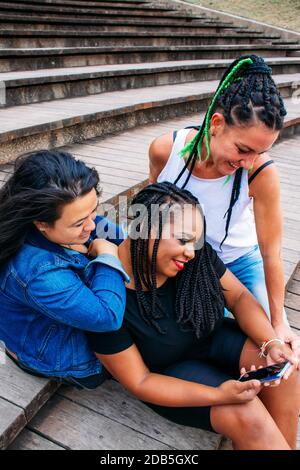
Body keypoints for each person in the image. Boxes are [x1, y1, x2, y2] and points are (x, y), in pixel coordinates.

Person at [87, 182, 300, 450]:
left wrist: (272, 343)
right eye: (183, 239)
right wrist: (218, 394)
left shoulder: (193, 256)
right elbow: (140, 381)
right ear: (144, 228)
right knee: (248, 414)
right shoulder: (105, 296)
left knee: (287, 371)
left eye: (195, 242)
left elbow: (238, 297)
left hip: (212, 338)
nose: (191, 251)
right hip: (169, 372)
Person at [148, 54, 300, 361]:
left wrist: (278, 320)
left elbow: (271, 253)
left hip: (239, 261)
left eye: (259, 152)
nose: (247, 162)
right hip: (186, 258)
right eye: (243, 149)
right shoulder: (165, 150)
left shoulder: (261, 172)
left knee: (276, 349)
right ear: (216, 123)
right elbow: (151, 211)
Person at [0, 150, 129, 390]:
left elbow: (126, 240)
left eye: (94, 210)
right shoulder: (37, 272)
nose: (92, 225)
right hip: (66, 357)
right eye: (79, 223)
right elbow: (107, 318)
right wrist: (107, 255)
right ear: (41, 223)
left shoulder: (74, 218)